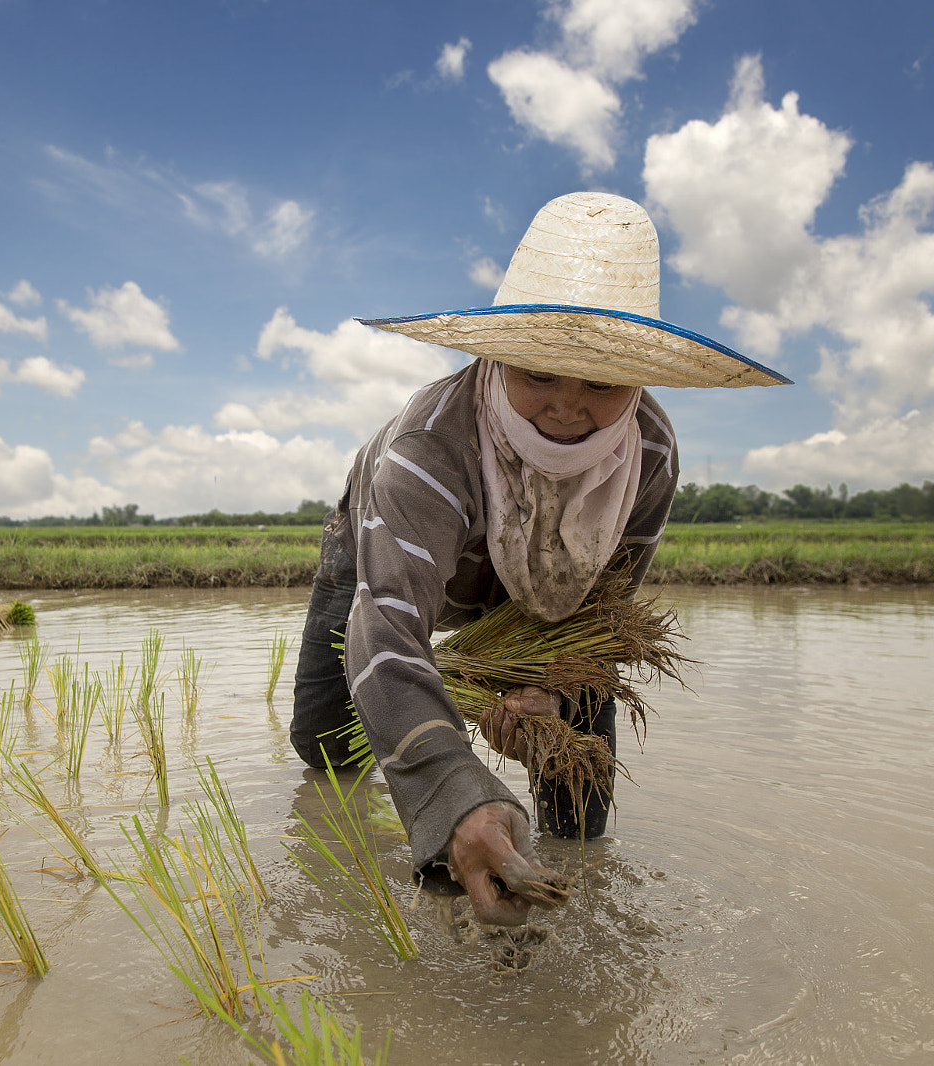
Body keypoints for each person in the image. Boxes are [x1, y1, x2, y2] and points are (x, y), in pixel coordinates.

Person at [288, 192, 791, 927]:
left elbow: (604, 616)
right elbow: (389, 632)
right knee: (329, 750)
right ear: (493, 358)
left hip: (549, 601)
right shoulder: (428, 450)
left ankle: (569, 904)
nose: (565, 406)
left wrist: (545, 696)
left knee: (579, 802)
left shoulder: (649, 453)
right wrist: (456, 794)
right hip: (376, 554)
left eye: (601, 382)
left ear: (639, 384)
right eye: (539, 374)